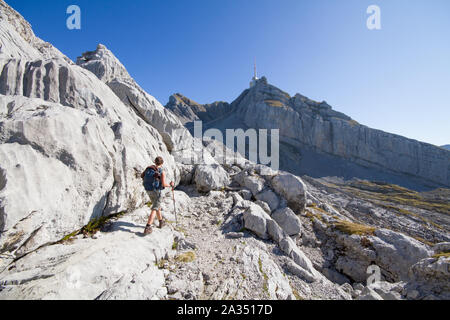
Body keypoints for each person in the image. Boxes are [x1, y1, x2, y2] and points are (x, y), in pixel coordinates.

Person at [141, 156, 174, 235]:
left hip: (148, 190)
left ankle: (161, 222)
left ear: (154, 162)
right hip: (156, 192)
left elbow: (142, 176)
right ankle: (148, 227)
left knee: (157, 205)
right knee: (155, 208)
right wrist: (170, 185)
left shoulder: (149, 168)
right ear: (162, 163)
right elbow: (164, 184)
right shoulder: (161, 171)